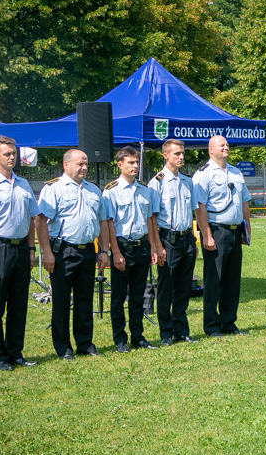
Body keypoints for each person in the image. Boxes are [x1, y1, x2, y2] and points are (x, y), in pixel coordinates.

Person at [0, 136, 41, 371]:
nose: (11, 157)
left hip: (22, 247)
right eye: (6, 154)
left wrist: (32, 248)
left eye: (13, 153)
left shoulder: (23, 184)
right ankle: (0, 355)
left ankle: (16, 351)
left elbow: (32, 217)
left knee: (19, 304)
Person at [36, 149, 110, 360]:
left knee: (85, 300)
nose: (84, 168)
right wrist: (47, 253)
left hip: (88, 250)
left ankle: (85, 343)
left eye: (86, 164)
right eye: (80, 164)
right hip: (63, 250)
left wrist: (104, 251)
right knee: (61, 301)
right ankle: (63, 347)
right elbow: (40, 222)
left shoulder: (94, 190)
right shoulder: (54, 189)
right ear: (66, 165)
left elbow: (103, 221)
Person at [102, 146, 164, 352]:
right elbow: (109, 224)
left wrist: (153, 247)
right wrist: (116, 252)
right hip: (122, 247)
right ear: (119, 165)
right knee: (119, 297)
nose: (135, 166)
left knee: (139, 296)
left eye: (136, 162)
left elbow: (149, 221)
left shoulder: (145, 190)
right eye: (130, 163)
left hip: (141, 247)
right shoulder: (111, 190)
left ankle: (138, 337)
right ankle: (120, 339)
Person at [193, 135, 252, 337]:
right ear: (210, 150)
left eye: (227, 144)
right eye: (221, 144)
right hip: (216, 231)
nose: (226, 146)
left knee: (232, 280)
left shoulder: (236, 172)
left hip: (235, 231)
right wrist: (206, 235)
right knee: (214, 279)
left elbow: (244, 202)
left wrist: (246, 230)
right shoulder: (204, 174)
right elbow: (200, 207)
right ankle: (211, 325)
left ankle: (229, 323)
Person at [149, 139, 200, 343]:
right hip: (167, 240)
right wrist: (157, 246)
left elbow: (191, 214)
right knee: (166, 287)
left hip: (186, 238)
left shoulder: (188, 182)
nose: (181, 157)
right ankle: (165, 332)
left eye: (182, 153)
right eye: (176, 153)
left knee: (183, 287)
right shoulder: (157, 182)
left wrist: (193, 241)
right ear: (165, 155)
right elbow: (151, 218)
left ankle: (181, 330)